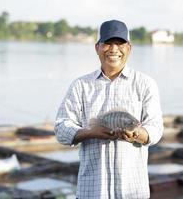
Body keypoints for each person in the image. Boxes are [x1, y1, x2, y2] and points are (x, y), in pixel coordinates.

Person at [54, 20, 164, 199]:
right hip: (92, 192)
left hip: (133, 191)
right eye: (107, 43)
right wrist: (91, 132)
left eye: (120, 43)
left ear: (129, 47)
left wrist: (136, 133)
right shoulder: (81, 86)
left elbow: (156, 129)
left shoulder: (145, 84)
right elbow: (61, 129)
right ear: (97, 47)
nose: (114, 49)